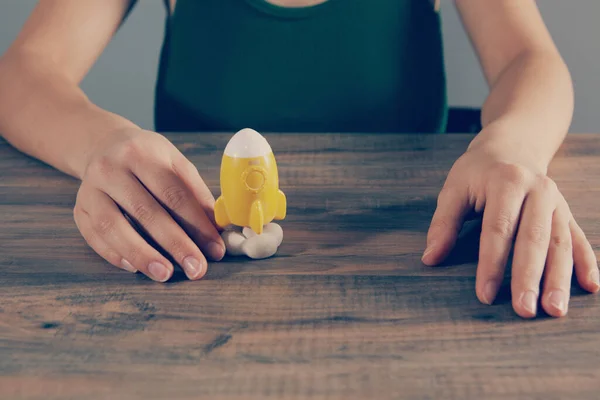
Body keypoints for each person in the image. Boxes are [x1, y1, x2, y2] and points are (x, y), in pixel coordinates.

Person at [0, 0, 597, 319]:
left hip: (401, 283)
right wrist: (97, 142)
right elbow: (23, 73)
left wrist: (511, 144)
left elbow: (530, 61)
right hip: (189, 302)